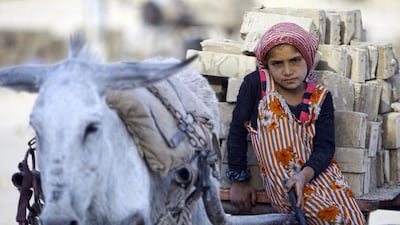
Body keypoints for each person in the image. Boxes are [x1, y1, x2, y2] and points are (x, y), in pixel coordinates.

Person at [226, 22, 366, 224]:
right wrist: (239, 181)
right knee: (333, 220)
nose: (287, 70)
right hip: (286, 185)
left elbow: (325, 147)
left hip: (320, 175)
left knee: (353, 219)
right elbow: (238, 131)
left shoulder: (320, 96)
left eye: (295, 61)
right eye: (277, 64)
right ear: (267, 64)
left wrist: (304, 176)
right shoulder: (258, 85)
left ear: (308, 60)